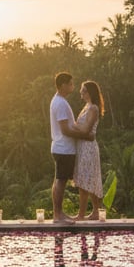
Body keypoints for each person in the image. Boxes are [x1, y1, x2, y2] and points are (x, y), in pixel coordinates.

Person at [49, 72, 93, 223]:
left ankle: (58, 213)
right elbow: (65, 130)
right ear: (63, 85)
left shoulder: (59, 101)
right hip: (63, 148)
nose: (73, 87)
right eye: (70, 84)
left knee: (59, 180)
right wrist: (84, 135)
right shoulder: (60, 103)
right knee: (61, 181)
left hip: (62, 147)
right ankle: (58, 215)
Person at [72, 80, 104, 220]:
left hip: (88, 148)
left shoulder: (93, 108)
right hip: (82, 146)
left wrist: (71, 125)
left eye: (83, 90)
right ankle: (95, 212)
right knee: (86, 179)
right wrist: (74, 127)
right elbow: (84, 130)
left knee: (86, 180)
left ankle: (82, 214)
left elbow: (86, 130)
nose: (81, 92)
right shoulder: (87, 107)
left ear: (90, 92)